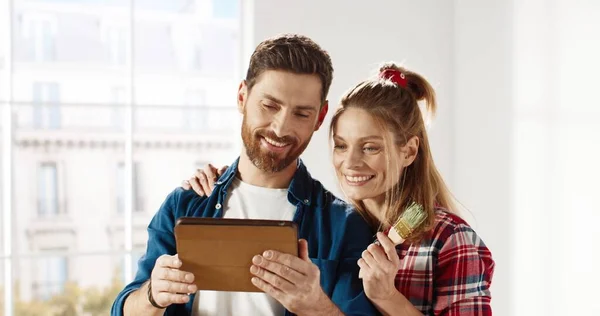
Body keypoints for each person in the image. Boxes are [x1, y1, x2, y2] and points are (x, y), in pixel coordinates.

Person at [186, 63, 495, 315]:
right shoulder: (338, 226)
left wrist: (387, 297)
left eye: (370, 147)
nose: (351, 162)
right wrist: (233, 182)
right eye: (341, 146)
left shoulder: (450, 240)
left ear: (409, 152)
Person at [111, 34, 377, 316]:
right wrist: (153, 294)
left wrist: (316, 306)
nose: (281, 128)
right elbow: (124, 309)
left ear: (320, 118)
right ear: (242, 97)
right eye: (270, 106)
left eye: (301, 113)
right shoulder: (184, 203)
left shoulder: (345, 226)